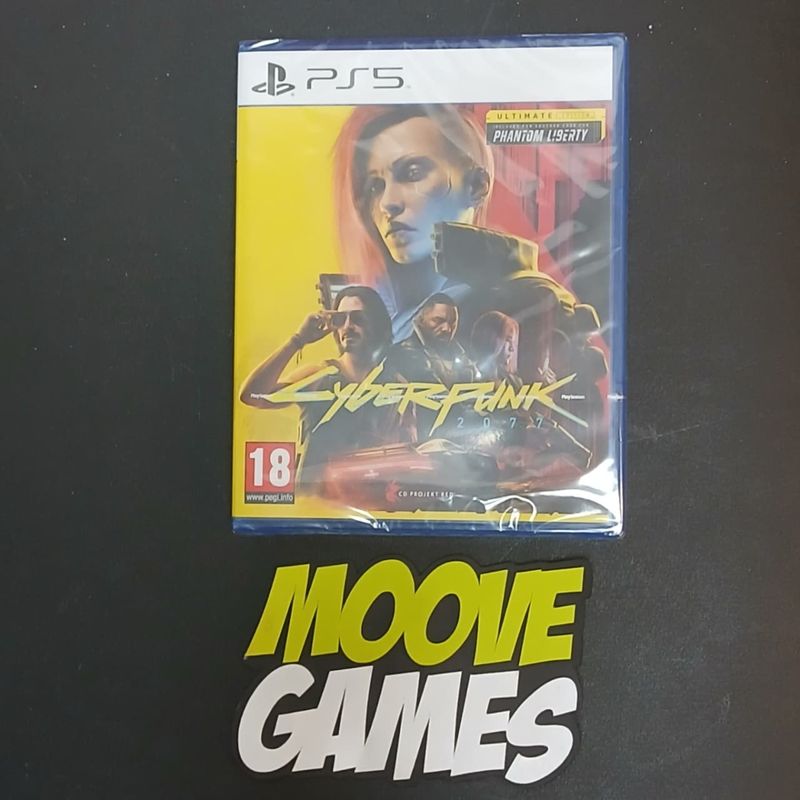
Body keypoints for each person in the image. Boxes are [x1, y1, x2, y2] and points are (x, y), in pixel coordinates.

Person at [333, 105, 494, 340]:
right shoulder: (382, 313)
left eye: (413, 173)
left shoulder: (498, 304)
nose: (387, 203)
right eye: (375, 186)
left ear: (476, 186)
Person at [239, 285, 413, 489]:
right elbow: (252, 395)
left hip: (368, 498)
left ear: (377, 324)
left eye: (358, 319)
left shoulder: (397, 385)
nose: (348, 326)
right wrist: (298, 340)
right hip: (314, 499)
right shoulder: (318, 376)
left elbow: (407, 453)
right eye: (340, 319)